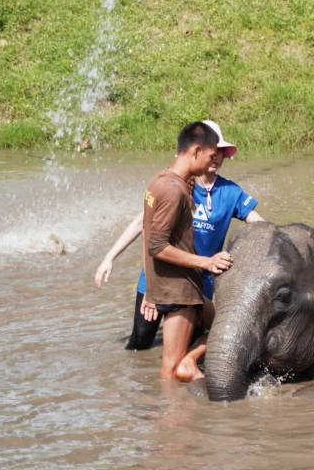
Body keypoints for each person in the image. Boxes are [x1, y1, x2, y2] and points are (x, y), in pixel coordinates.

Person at [95, 121, 264, 360]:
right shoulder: (178, 184)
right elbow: (143, 226)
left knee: (187, 348)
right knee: (139, 347)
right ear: (198, 151)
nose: (217, 158)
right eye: (213, 152)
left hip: (196, 284)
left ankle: (181, 376)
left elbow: (259, 225)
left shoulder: (231, 192)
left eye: (221, 153)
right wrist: (109, 258)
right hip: (158, 279)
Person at [136, 122, 234, 381]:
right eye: (212, 156)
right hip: (179, 290)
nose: (213, 163)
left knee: (229, 323)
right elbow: (156, 245)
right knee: (170, 369)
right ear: (196, 151)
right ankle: (172, 417)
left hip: (178, 287)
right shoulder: (173, 190)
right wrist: (206, 262)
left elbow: (148, 233)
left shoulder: (161, 180)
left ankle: (189, 364)